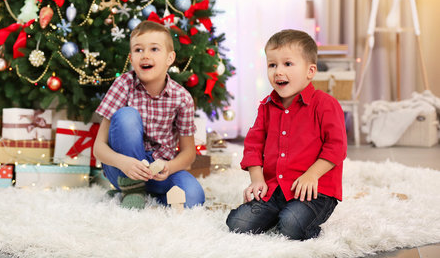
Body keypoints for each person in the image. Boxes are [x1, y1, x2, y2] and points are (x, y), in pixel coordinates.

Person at [226, 29, 347, 240]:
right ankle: (276, 214)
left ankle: (294, 220)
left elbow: (336, 147)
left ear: (310, 71)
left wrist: (312, 175)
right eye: (272, 65)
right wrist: (257, 180)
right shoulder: (266, 106)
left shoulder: (326, 104)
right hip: (275, 189)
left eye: (287, 64)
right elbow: (253, 145)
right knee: (237, 224)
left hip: (315, 191)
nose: (278, 71)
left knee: (292, 225)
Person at [93, 20, 205, 209]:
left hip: (159, 171)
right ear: (131, 58)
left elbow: (188, 153)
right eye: (138, 50)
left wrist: (169, 167)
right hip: (123, 168)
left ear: (170, 58)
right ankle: (131, 188)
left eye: (154, 49)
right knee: (127, 115)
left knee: (194, 198)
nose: (145, 55)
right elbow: (98, 148)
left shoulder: (182, 98)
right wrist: (124, 162)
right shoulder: (123, 85)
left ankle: (141, 195)